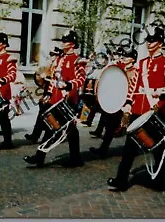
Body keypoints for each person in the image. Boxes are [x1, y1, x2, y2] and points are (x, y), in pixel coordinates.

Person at [107, 26, 165, 192]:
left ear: (160, 42)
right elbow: (133, 86)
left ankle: (160, 180)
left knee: (158, 148)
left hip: (153, 112)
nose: (148, 43)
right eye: (147, 40)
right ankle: (121, 180)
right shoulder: (142, 64)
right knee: (129, 148)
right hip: (138, 110)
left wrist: (159, 102)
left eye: (152, 40)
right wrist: (129, 103)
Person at [23, 29, 87, 168]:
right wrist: (49, 94)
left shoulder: (77, 60)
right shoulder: (60, 59)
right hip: (56, 100)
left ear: (72, 44)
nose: (63, 44)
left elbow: (81, 78)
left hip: (68, 100)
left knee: (64, 129)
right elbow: (54, 79)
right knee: (57, 128)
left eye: (66, 41)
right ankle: (72, 158)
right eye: (63, 41)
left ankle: (42, 157)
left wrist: (69, 85)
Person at [89, 48, 138, 158]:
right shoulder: (119, 68)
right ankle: (103, 150)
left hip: (125, 103)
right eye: (124, 56)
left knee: (124, 129)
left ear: (133, 60)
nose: (124, 58)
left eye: (127, 57)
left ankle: (108, 150)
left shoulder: (134, 72)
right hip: (116, 101)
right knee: (110, 127)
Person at [24, 47, 63, 144]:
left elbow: (58, 81)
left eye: (54, 54)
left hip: (56, 93)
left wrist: (48, 78)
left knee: (49, 115)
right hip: (48, 91)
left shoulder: (59, 65)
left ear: (59, 55)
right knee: (42, 113)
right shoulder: (52, 65)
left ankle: (52, 134)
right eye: (51, 54)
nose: (52, 56)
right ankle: (36, 135)